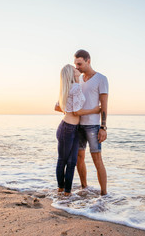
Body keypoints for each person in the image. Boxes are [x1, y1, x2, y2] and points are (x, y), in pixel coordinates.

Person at [54, 64, 100, 196]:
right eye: (74, 68)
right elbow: (77, 111)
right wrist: (96, 110)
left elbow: (58, 107)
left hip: (72, 128)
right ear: (71, 73)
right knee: (64, 160)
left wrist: (67, 110)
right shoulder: (76, 87)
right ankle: (62, 190)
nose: (77, 68)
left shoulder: (68, 88)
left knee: (72, 161)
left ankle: (67, 191)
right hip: (67, 128)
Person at [73, 49, 109, 196]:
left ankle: (104, 194)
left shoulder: (101, 78)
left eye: (80, 64)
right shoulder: (79, 79)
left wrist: (103, 126)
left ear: (88, 61)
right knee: (79, 158)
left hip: (93, 126)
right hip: (78, 125)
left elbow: (104, 104)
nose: (77, 67)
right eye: (75, 64)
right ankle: (84, 188)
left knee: (97, 159)